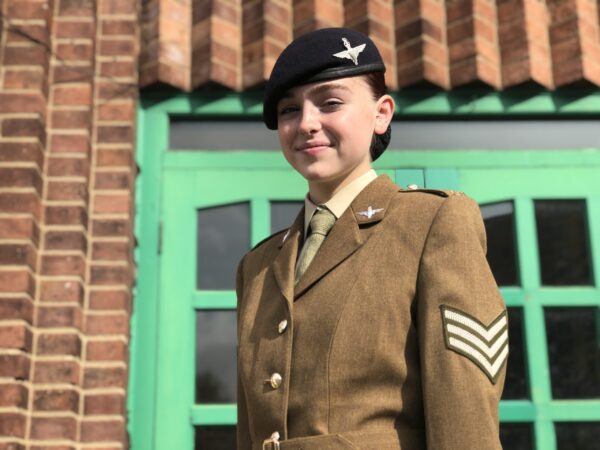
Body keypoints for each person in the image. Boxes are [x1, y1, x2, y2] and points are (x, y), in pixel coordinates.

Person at [236, 27, 507, 450]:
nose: (306, 123)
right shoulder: (258, 266)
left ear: (382, 113)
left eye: (330, 103)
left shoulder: (432, 223)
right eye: (290, 110)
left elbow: (464, 409)